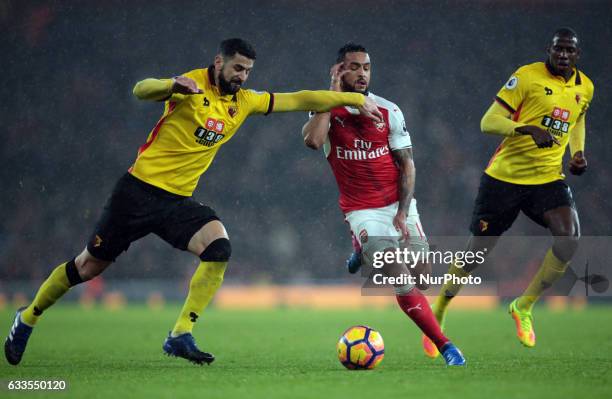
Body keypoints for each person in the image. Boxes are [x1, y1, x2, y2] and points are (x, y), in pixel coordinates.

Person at [4, 38, 384, 366]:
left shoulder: (244, 102)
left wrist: (352, 99)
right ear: (219, 62)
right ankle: (29, 317)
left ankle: (180, 333)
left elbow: (300, 99)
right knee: (87, 267)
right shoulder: (190, 86)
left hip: (177, 202)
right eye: (237, 68)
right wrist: (170, 85)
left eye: (248, 71)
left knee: (219, 247)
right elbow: (140, 89)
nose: (242, 76)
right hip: (137, 192)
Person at [423, 27, 594, 357]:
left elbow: (577, 119)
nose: (562, 55)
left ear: (577, 55)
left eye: (569, 51)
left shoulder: (585, 87)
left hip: (546, 178)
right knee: (477, 253)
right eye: (557, 49)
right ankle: (440, 309)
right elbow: (488, 122)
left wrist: (577, 152)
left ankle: (524, 306)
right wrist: (526, 128)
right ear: (549, 50)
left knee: (569, 238)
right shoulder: (526, 78)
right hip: (504, 178)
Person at [302, 43, 465, 366]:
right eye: (353, 67)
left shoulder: (389, 110)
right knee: (400, 277)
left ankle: (361, 251)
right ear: (338, 71)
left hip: (397, 205)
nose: (362, 73)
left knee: (423, 279)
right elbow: (313, 141)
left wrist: (403, 213)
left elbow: (407, 164)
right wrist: (332, 93)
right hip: (361, 210)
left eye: (366, 67)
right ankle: (447, 347)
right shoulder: (325, 111)